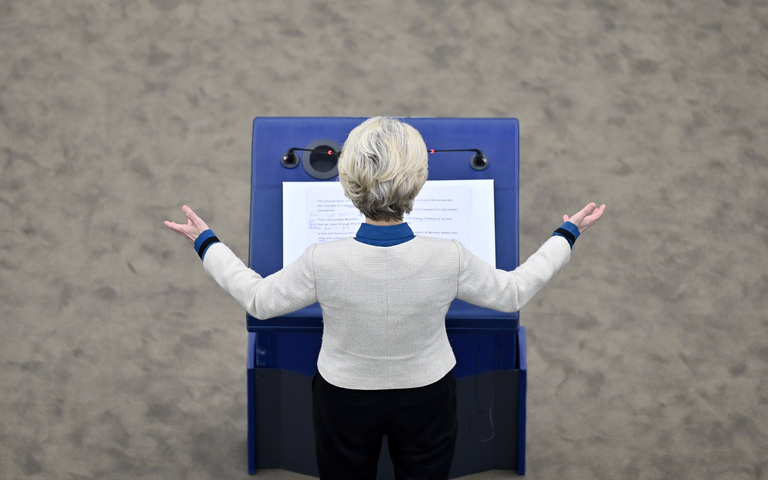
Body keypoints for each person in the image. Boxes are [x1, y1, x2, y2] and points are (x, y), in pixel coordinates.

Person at [165, 116, 605, 480]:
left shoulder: (321, 259)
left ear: (347, 182)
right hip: (428, 396)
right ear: (419, 181)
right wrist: (566, 235)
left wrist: (207, 243)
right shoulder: (448, 256)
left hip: (343, 397)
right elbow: (512, 293)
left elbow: (259, 300)